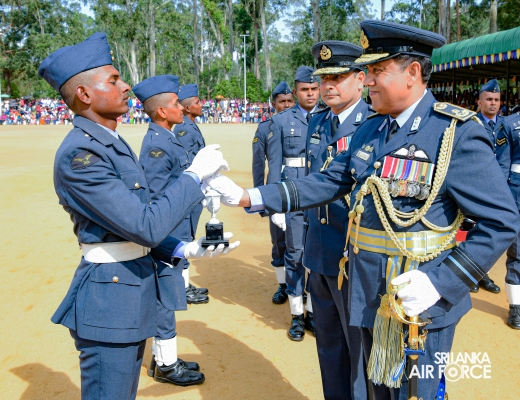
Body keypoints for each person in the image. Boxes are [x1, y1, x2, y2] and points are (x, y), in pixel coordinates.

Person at [205, 20, 519, 399]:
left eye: (377, 70)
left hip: (417, 301)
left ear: (412, 72)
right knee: (371, 390)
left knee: (414, 393)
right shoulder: (373, 129)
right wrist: (248, 196)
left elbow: (501, 222)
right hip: (367, 292)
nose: (367, 80)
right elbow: (328, 181)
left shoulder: (455, 132)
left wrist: (441, 283)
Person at [39, 33, 238, 400]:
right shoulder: (81, 155)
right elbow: (144, 225)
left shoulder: (109, 142)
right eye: (113, 80)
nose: (125, 86)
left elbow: (132, 222)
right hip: (109, 300)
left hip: (128, 291)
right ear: (84, 94)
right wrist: (194, 175)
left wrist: (182, 249)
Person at [302, 40, 372, 398]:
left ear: (360, 79)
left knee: (358, 352)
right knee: (328, 349)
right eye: (324, 78)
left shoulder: (373, 124)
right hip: (319, 252)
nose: (328, 85)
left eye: (338, 77)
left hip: (353, 258)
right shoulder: (318, 121)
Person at [133, 75, 205, 385]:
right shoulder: (158, 145)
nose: (182, 107)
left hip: (176, 227)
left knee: (169, 293)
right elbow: (157, 198)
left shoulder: (168, 137)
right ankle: (165, 363)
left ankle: (162, 357)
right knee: (165, 297)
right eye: (176, 103)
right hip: (167, 232)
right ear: (162, 111)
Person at [267, 67, 319, 341]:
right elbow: (274, 167)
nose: (310, 94)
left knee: (319, 255)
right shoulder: (281, 121)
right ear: (296, 91)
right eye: (304, 90)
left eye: (314, 89)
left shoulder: (329, 117)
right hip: (294, 197)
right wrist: (276, 205)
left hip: (321, 197)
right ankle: (297, 315)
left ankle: (313, 312)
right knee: (295, 255)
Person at [252, 82, 294, 305]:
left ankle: (303, 286)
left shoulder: (306, 123)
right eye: (282, 102)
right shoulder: (264, 128)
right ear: (274, 104)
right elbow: (258, 164)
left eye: (290, 101)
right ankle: (282, 285)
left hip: (300, 190)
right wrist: (260, 197)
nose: (286, 105)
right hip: (276, 192)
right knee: (279, 240)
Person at [174, 84, 209, 304]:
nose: (200, 104)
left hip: (193, 190)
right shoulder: (184, 129)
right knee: (183, 238)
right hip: (188, 191)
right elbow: (186, 165)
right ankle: (182, 288)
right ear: (187, 108)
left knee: (187, 237)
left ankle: (184, 284)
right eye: (196, 102)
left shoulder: (190, 125)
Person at [470, 79, 505, 293]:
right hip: (476, 185)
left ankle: (484, 273)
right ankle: (471, 274)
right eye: (489, 99)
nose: (493, 103)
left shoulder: (506, 125)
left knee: (491, 232)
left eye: (496, 100)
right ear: (479, 102)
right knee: (473, 230)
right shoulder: (471, 123)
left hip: (499, 186)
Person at [495, 111, 520, 329]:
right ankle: (516, 307)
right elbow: (502, 165)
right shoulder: (510, 124)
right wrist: (502, 200)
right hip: (516, 195)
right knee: (518, 253)